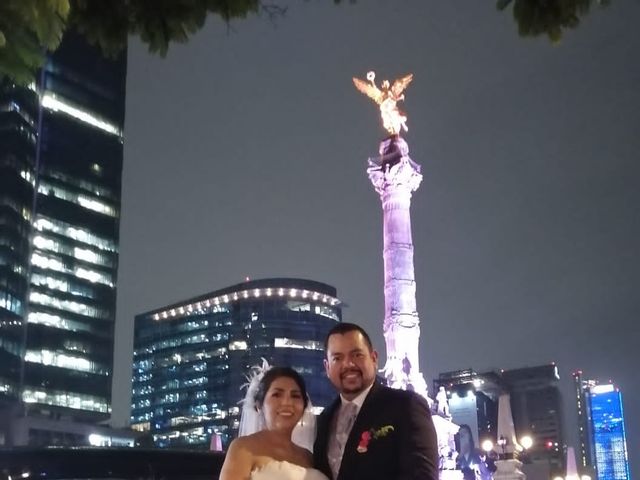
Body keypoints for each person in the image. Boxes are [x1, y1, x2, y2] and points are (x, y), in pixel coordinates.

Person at [313, 323, 439, 480]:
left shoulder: (406, 405)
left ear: (374, 359)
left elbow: (422, 475)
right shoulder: (323, 420)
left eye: (357, 355)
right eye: (337, 358)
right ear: (327, 367)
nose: (348, 364)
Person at [220, 364, 329, 480]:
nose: (287, 402)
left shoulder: (308, 457)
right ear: (259, 405)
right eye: (277, 395)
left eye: (295, 396)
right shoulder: (243, 448)